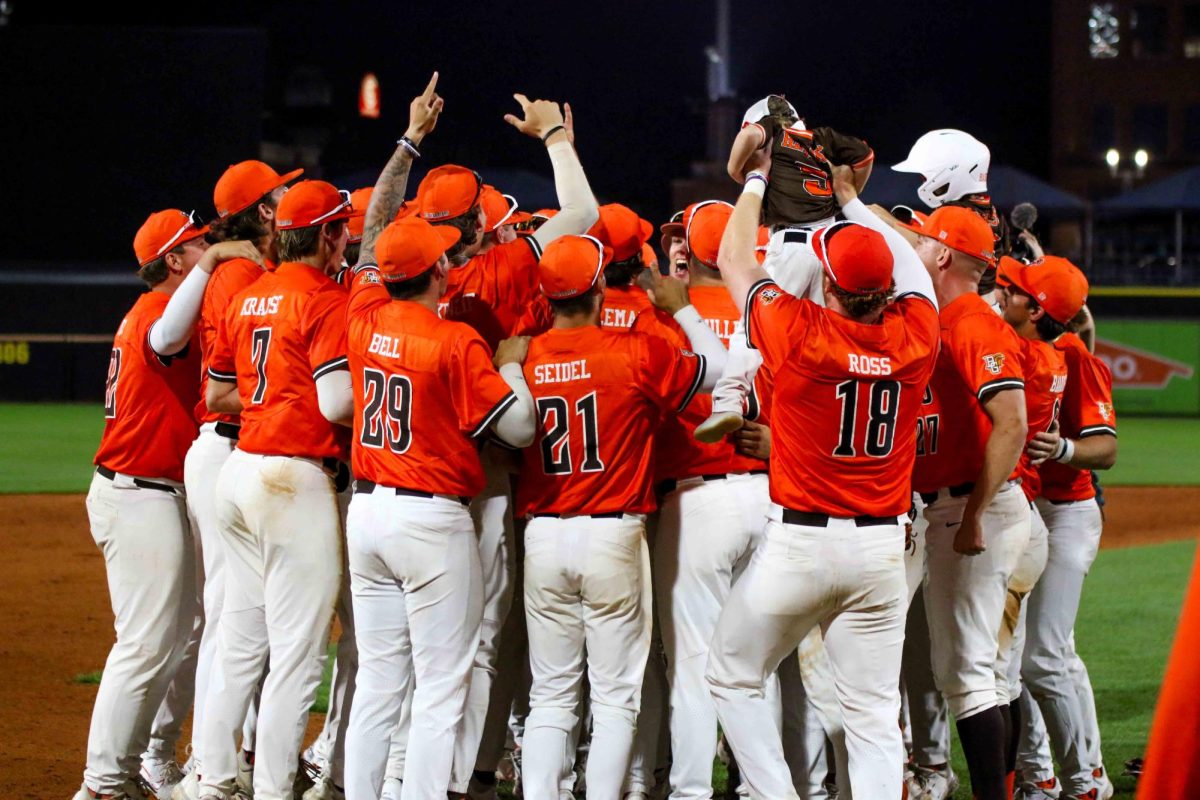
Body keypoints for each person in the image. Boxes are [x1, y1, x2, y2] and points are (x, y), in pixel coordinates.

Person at [702, 155, 939, 799]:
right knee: (871, 715)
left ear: (826, 286)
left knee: (731, 672)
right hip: (883, 549)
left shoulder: (799, 329)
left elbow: (733, 260)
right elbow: (917, 275)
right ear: (884, 289)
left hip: (800, 545)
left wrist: (754, 178)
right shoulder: (914, 335)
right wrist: (853, 201)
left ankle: (777, 795)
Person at [515, 233, 727, 800]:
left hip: (543, 534)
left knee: (552, 696)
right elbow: (719, 369)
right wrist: (682, 309)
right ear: (601, 287)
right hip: (613, 531)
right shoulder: (632, 349)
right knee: (614, 699)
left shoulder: (524, 356)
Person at [74, 211, 259, 800]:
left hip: (152, 491)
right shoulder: (156, 312)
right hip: (136, 492)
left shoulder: (171, 307)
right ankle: (102, 784)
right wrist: (213, 263)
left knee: (180, 635)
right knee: (147, 643)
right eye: (197, 241)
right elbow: (166, 341)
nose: (211, 242)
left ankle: (141, 765)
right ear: (174, 260)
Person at [199, 179, 356, 800]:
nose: (345, 238)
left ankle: (211, 781)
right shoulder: (323, 297)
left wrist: (276, 395)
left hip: (239, 472)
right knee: (298, 651)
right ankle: (271, 789)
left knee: (240, 641)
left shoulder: (252, 294)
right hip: (291, 478)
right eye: (341, 228)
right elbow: (338, 402)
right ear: (324, 235)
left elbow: (218, 394)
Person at [172, 159, 301, 800]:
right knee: (231, 618)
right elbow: (218, 388)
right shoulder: (240, 275)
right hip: (228, 446)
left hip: (235, 451)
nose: (286, 194)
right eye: (279, 190)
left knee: (242, 619)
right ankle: (209, 767)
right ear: (265, 211)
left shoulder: (250, 271)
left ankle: (226, 759)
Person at [645, 199, 776, 800]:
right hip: (768, 498)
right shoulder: (769, 315)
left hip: (695, 502)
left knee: (695, 665)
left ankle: (692, 790)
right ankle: (761, 787)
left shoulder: (668, 317)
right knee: (756, 666)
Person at [905, 195, 1031, 800]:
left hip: (973, 509)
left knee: (967, 677)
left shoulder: (974, 321)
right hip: (954, 506)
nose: (917, 243)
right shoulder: (943, 314)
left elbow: (1012, 422)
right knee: (985, 675)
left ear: (945, 255)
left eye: (926, 239)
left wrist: (975, 514)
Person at [694, 94, 874, 443]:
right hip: (829, 248)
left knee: (753, 324)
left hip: (791, 244)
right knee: (827, 337)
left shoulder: (771, 128)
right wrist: (845, 195)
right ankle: (831, 419)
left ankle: (728, 401)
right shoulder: (820, 138)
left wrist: (738, 173)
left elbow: (746, 141)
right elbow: (865, 157)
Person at [1008, 258, 1117, 800]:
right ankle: (1040, 775)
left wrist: (1068, 449)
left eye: (1016, 288)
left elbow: (1108, 448)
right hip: (1025, 510)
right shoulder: (1012, 342)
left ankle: (1088, 779)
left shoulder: (1074, 356)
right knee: (1020, 655)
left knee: (1044, 654)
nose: (1005, 292)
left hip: (1067, 511)